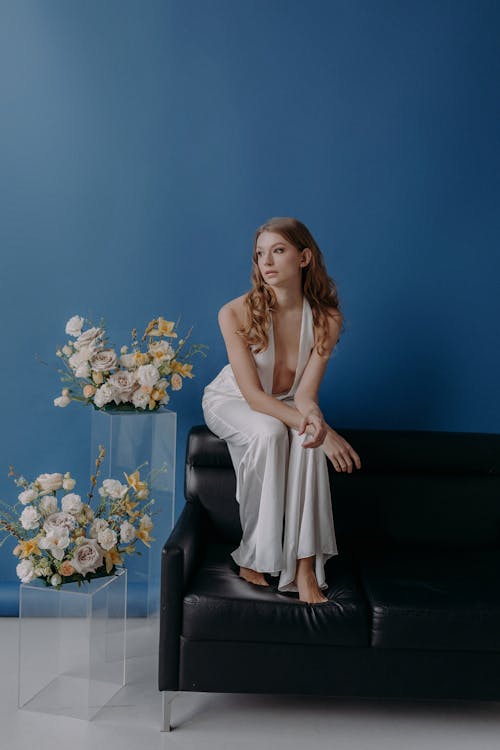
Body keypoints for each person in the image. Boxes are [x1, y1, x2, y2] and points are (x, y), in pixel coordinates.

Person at [201, 216, 361, 604]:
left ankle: (305, 568)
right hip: (232, 400)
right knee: (273, 433)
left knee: (309, 433)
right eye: (260, 254)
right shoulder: (235, 312)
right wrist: (328, 434)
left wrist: (317, 424)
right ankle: (252, 555)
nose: (266, 262)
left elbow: (305, 396)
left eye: (278, 250)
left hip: (285, 402)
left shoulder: (327, 319)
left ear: (304, 257)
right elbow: (255, 398)